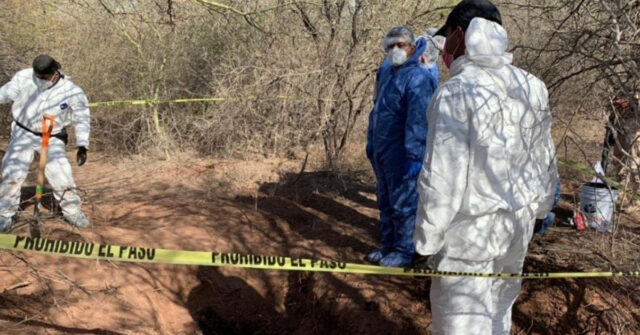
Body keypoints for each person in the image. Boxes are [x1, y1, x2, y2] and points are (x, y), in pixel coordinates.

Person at [412, 0, 558, 333]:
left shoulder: (456, 93)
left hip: (470, 234)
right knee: (497, 314)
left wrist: (426, 243)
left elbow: (442, 180)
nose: (444, 47)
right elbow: (546, 160)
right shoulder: (531, 87)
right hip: (517, 226)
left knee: (461, 323)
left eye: (446, 37)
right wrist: (539, 211)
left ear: (461, 35)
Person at [365, 27, 437, 267]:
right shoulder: (386, 72)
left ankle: (404, 251)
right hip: (382, 150)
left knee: (404, 203)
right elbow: (377, 110)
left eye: (401, 45)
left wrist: (415, 155)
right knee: (385, 200)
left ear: (412, 48)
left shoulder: (418, 77)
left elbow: (418, 120)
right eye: (391, 45)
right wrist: (371, 143)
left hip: (403, 153)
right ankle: (388, 246)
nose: (395, 50)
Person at [0, 54, 91, 232]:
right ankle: (4, 214)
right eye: (37, 75)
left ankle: (72, 211)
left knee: (61, 174)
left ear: (54, 72)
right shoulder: (24, 78)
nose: (39, 79)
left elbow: (82, 118)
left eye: (43, 76)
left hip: (52, 135)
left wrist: (82, 145)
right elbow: (4, 94)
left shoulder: (72, 91)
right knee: (12, 171)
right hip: (23, 132)